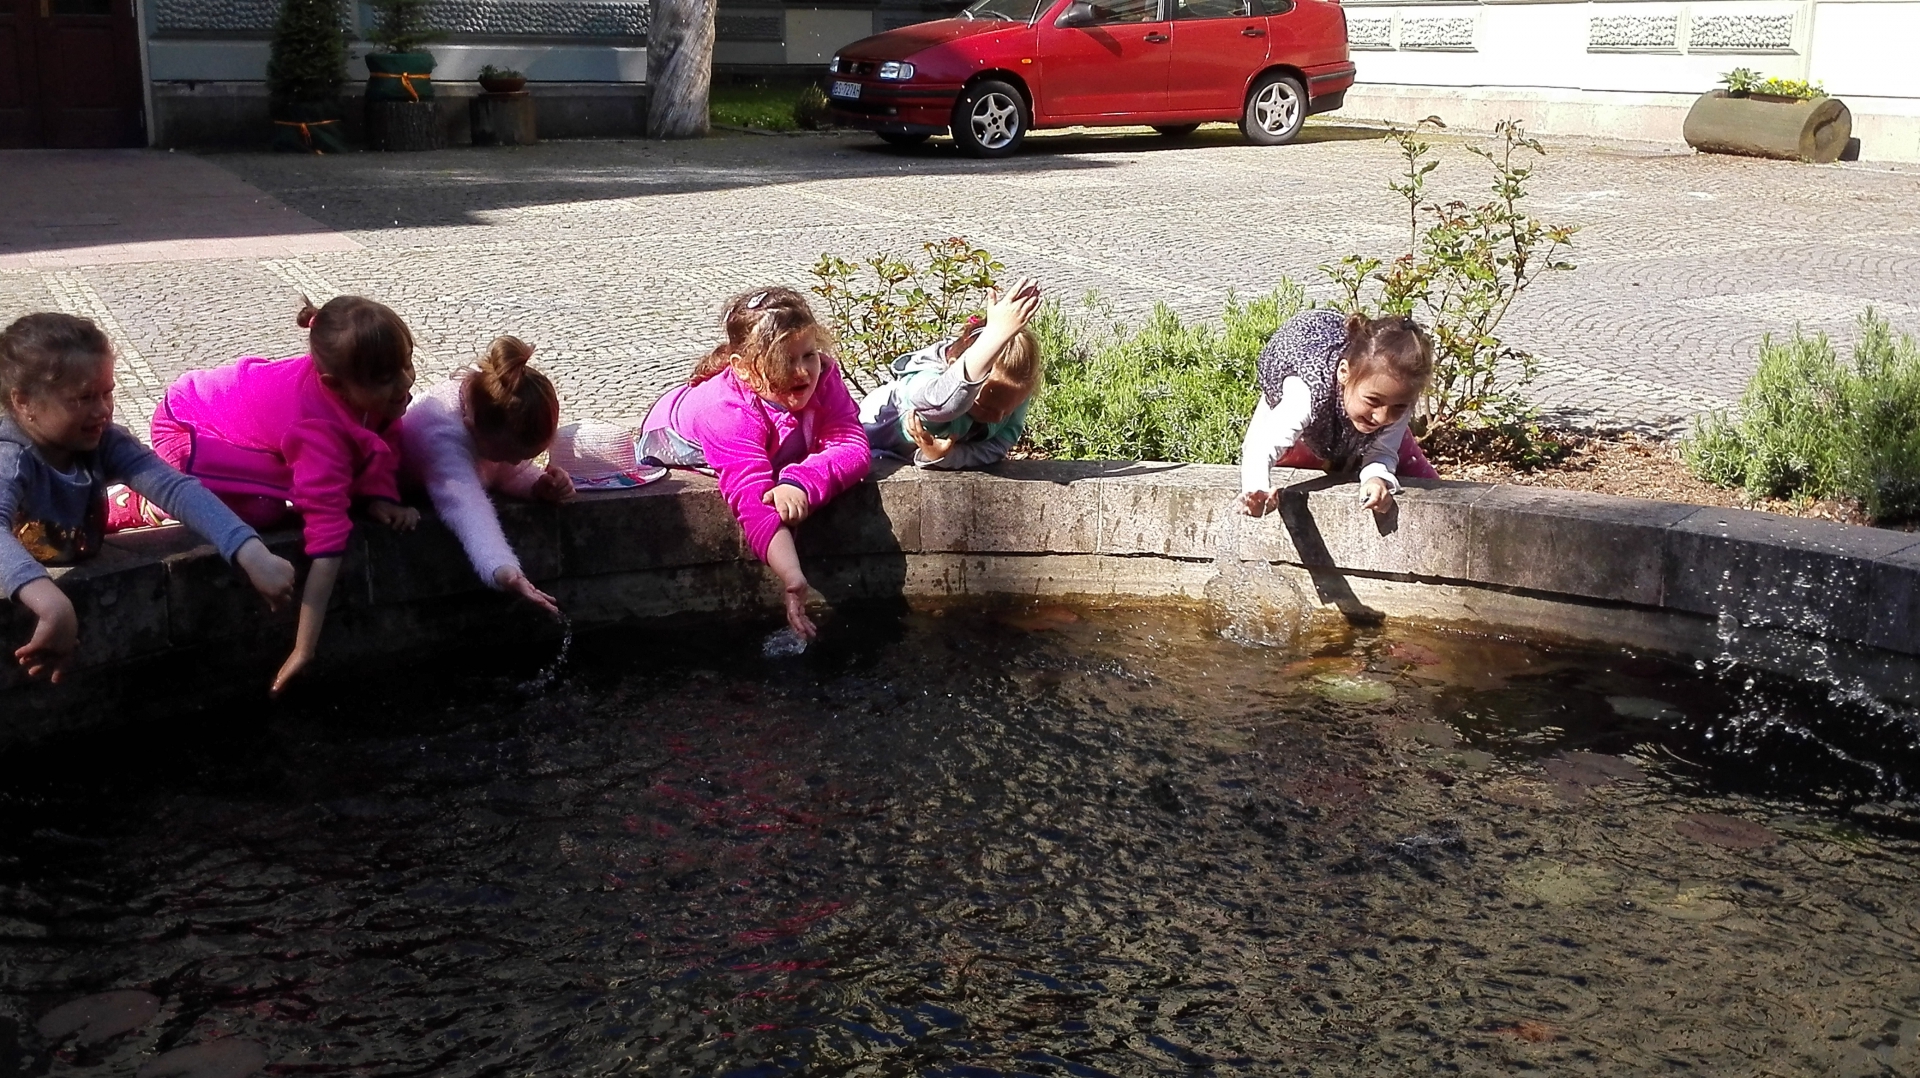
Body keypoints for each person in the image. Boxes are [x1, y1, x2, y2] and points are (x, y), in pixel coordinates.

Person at [0, 313, 296, 683]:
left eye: (107, 393)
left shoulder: (103, 440)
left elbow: (175, 488)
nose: (102, 410)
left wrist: (250, 552)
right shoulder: (11, 457)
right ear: (24, 402)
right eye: (84, 398)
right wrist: (49, 599)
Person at [150, 296, 420, 695]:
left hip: (229, 415)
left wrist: (380, 495)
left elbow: (384, 437)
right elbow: (327, 542)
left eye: (407, 363)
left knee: (315, 480)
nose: (405, 382)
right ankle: (153, 500)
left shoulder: (364, 390)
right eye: (385, 378)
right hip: (187, 429)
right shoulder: (318, 432)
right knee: (263, 509)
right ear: (335, 385)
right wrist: (304, 649)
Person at [639, 287, 869, 641]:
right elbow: (752, 497)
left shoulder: (823, 374)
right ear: (744, 369)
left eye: (808, 355)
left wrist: (801, 481)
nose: (802, 372)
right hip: (676, 440)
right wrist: (792, 575)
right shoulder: (725, 412)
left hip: (769, 426)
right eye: (783, 360)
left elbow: (851, 444)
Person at [403, 336, 574, 616]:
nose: (517, 462)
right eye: (509, 454)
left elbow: (504, 472)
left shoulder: (489, 399)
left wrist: (539, 485)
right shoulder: (439, 434)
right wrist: (504, 570)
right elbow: (466, 507)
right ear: (472, 428)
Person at [1237, 308, 1438, 518]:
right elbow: (1260, 446)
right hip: (1297, 360)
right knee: (1292, 446)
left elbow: (1382, 451)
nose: (1382, 416)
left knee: (1411, 465)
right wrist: (1257, 489)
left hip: (1342, 395)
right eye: (1373, 401)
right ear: (1344, 373)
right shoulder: (1305, 394)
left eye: (1399, 407)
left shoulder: (1393, 400)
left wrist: (1376, 477)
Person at [859, 277, 1043, 470]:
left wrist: (942, 456)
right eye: (985, 407)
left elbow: (996, 448)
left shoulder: (1012, 391)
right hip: (867, 448)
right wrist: (994, 336)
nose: (997, 418)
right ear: (953, 368)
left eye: (1007, 411)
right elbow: (944, 404)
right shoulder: (924, 381)